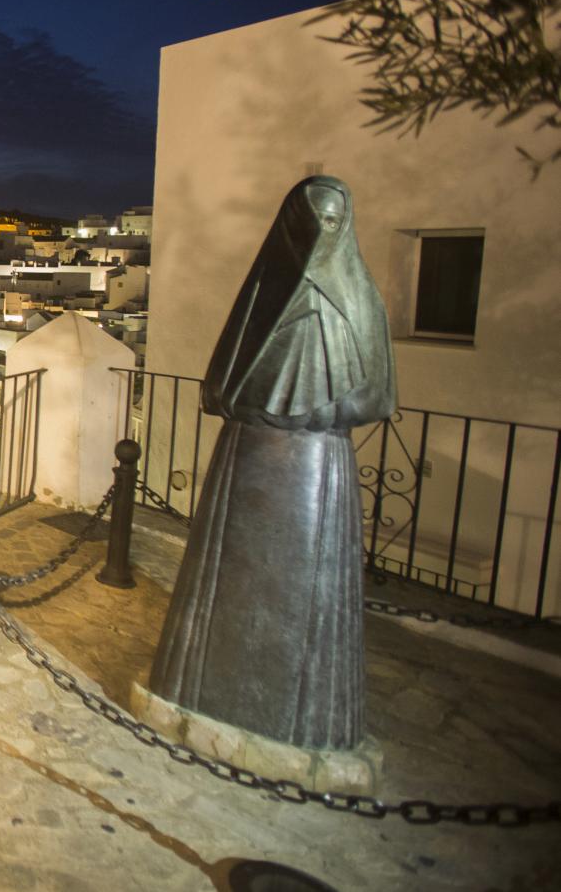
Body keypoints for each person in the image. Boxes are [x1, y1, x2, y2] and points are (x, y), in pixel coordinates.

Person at [149, 176, 395, 749]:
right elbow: (224, 383)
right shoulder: (264, 296)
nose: (317, 237)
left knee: (309, 596)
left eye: (331, 223)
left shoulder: (359, 305)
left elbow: (371, 392)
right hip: (248, 460)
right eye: (310, 222)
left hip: (315, 471)